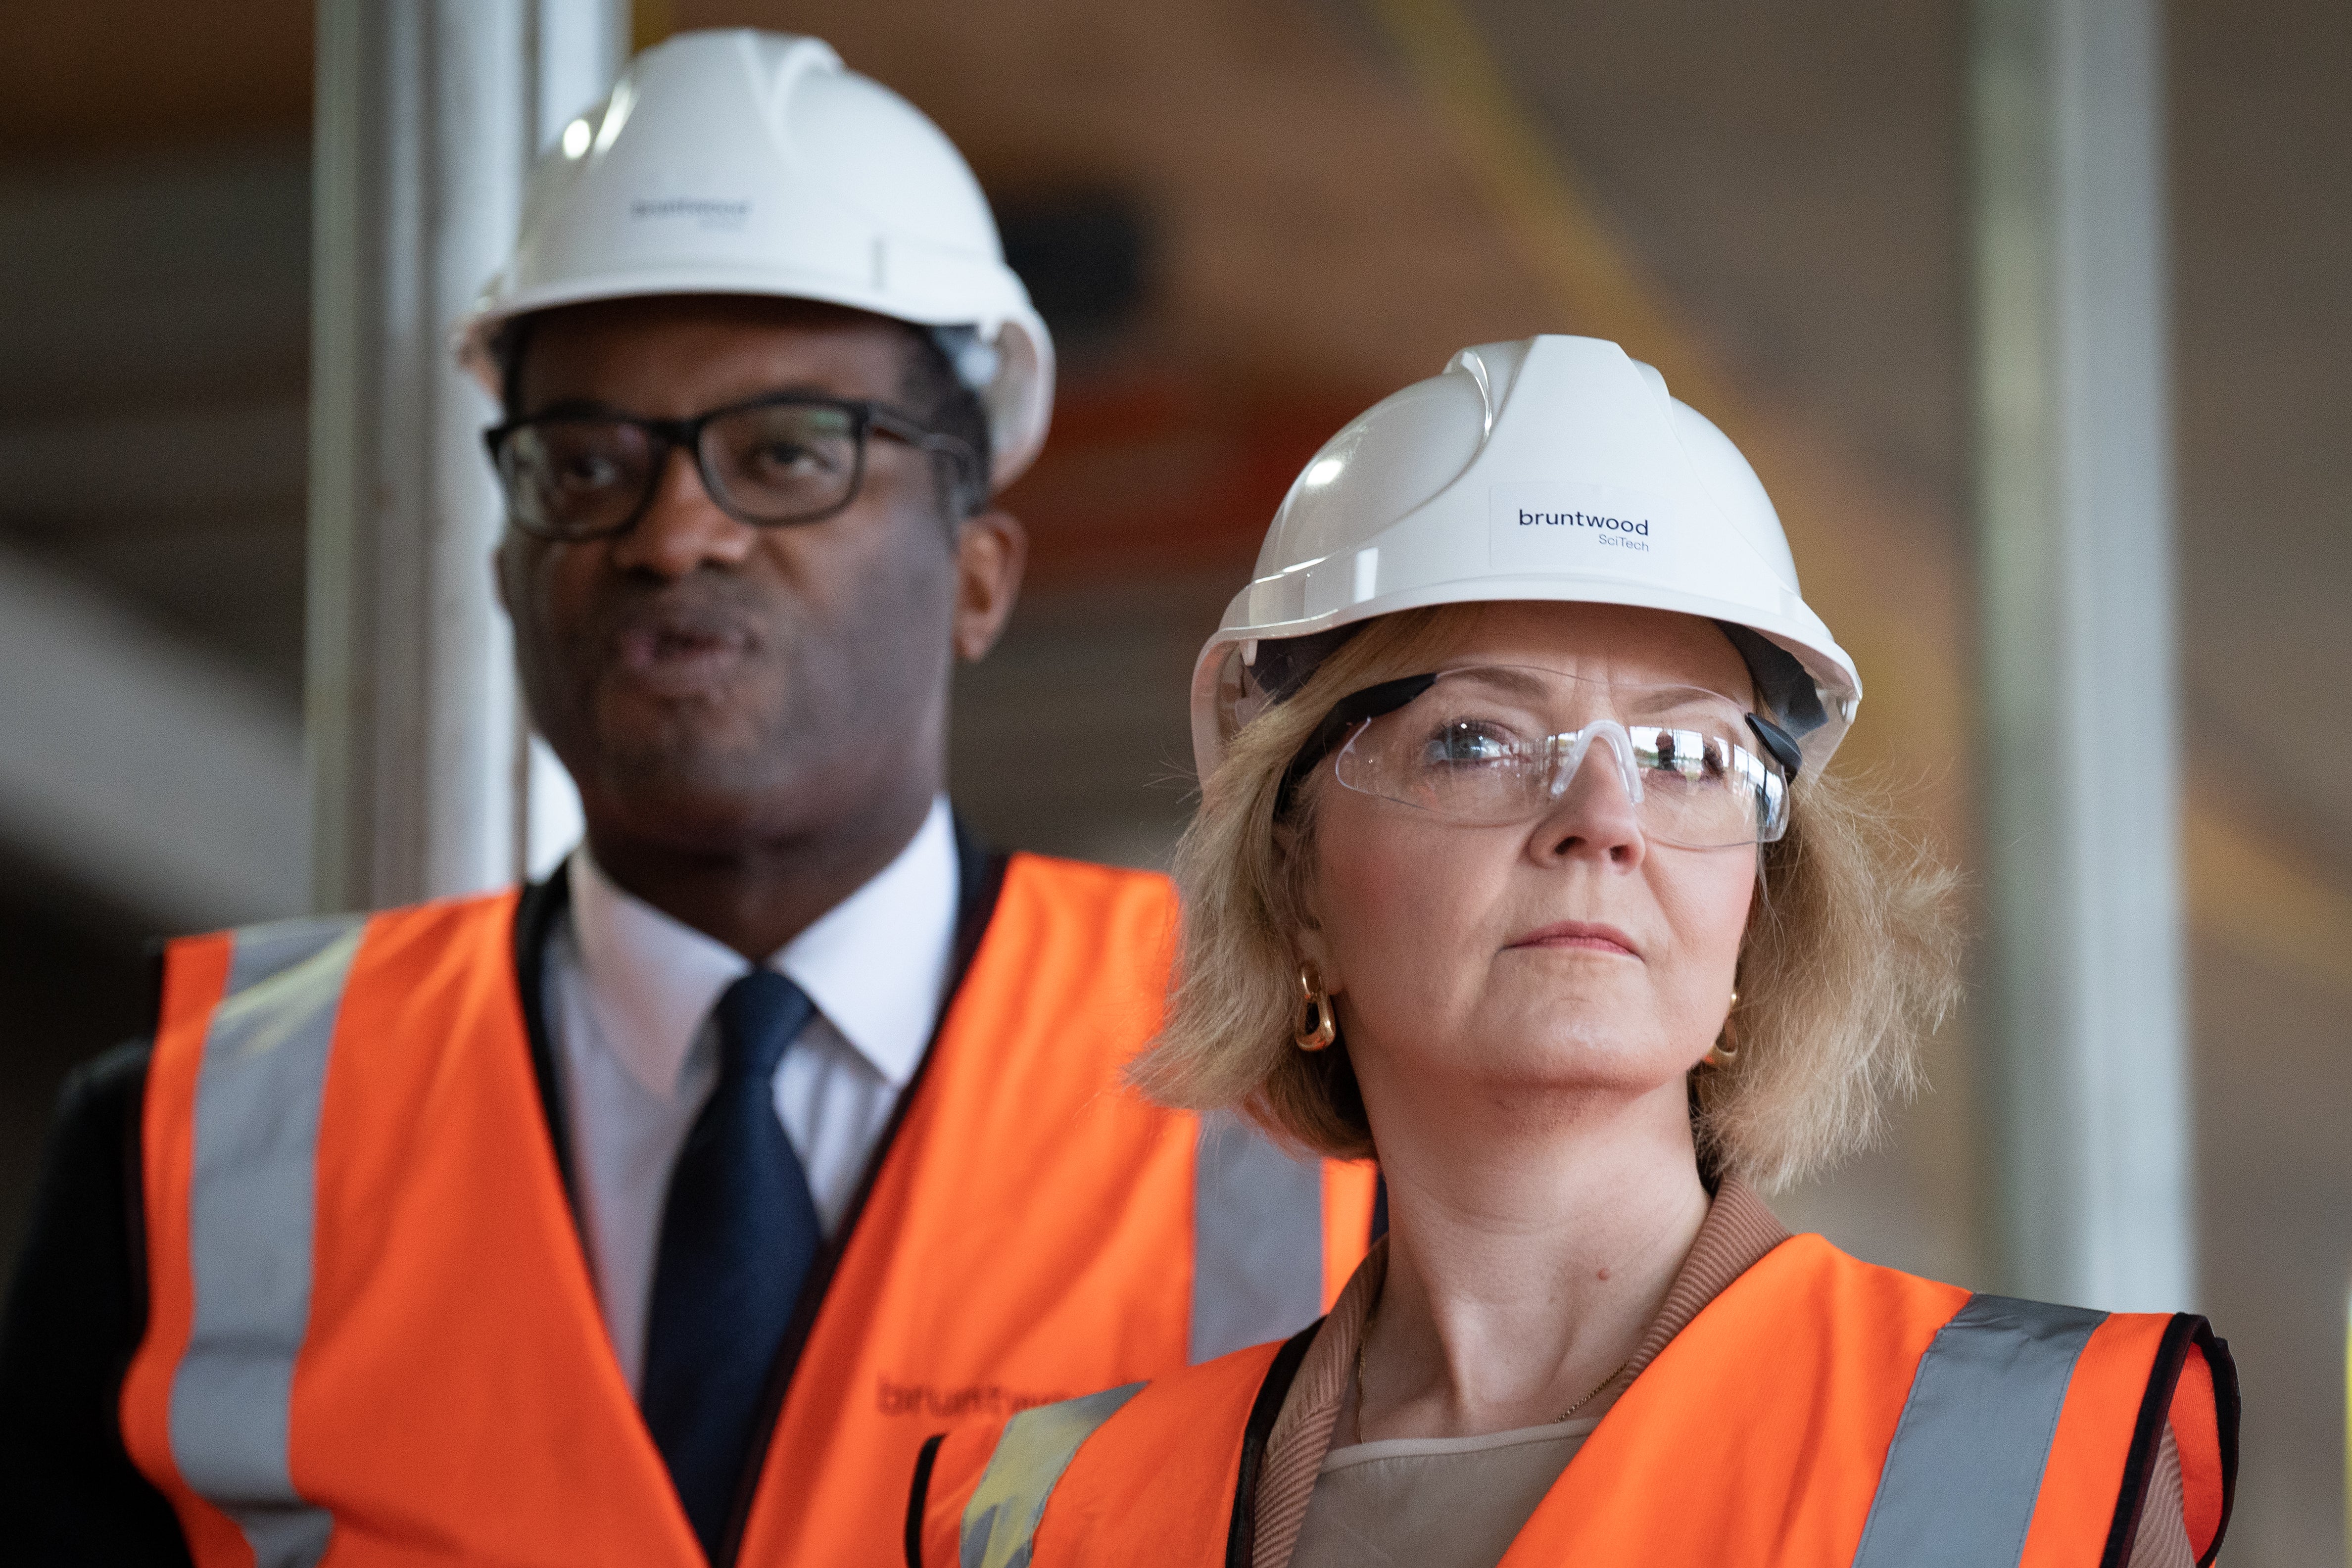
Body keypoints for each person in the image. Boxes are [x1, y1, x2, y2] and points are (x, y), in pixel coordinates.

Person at [0, 30, 1376, 1568]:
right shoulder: (196, 1140)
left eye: (787, 452)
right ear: (506, 564)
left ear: (977, 573)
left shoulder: (1293, 1085)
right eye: (585, 465)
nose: (674, 533)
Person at [911, 335, 2237, 1568]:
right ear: (1295, 881)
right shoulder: (1061, 1518)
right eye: (1473, 737)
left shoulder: (2025, 1470)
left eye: (1684, 754)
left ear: (1757, 903)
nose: (1603, 821)